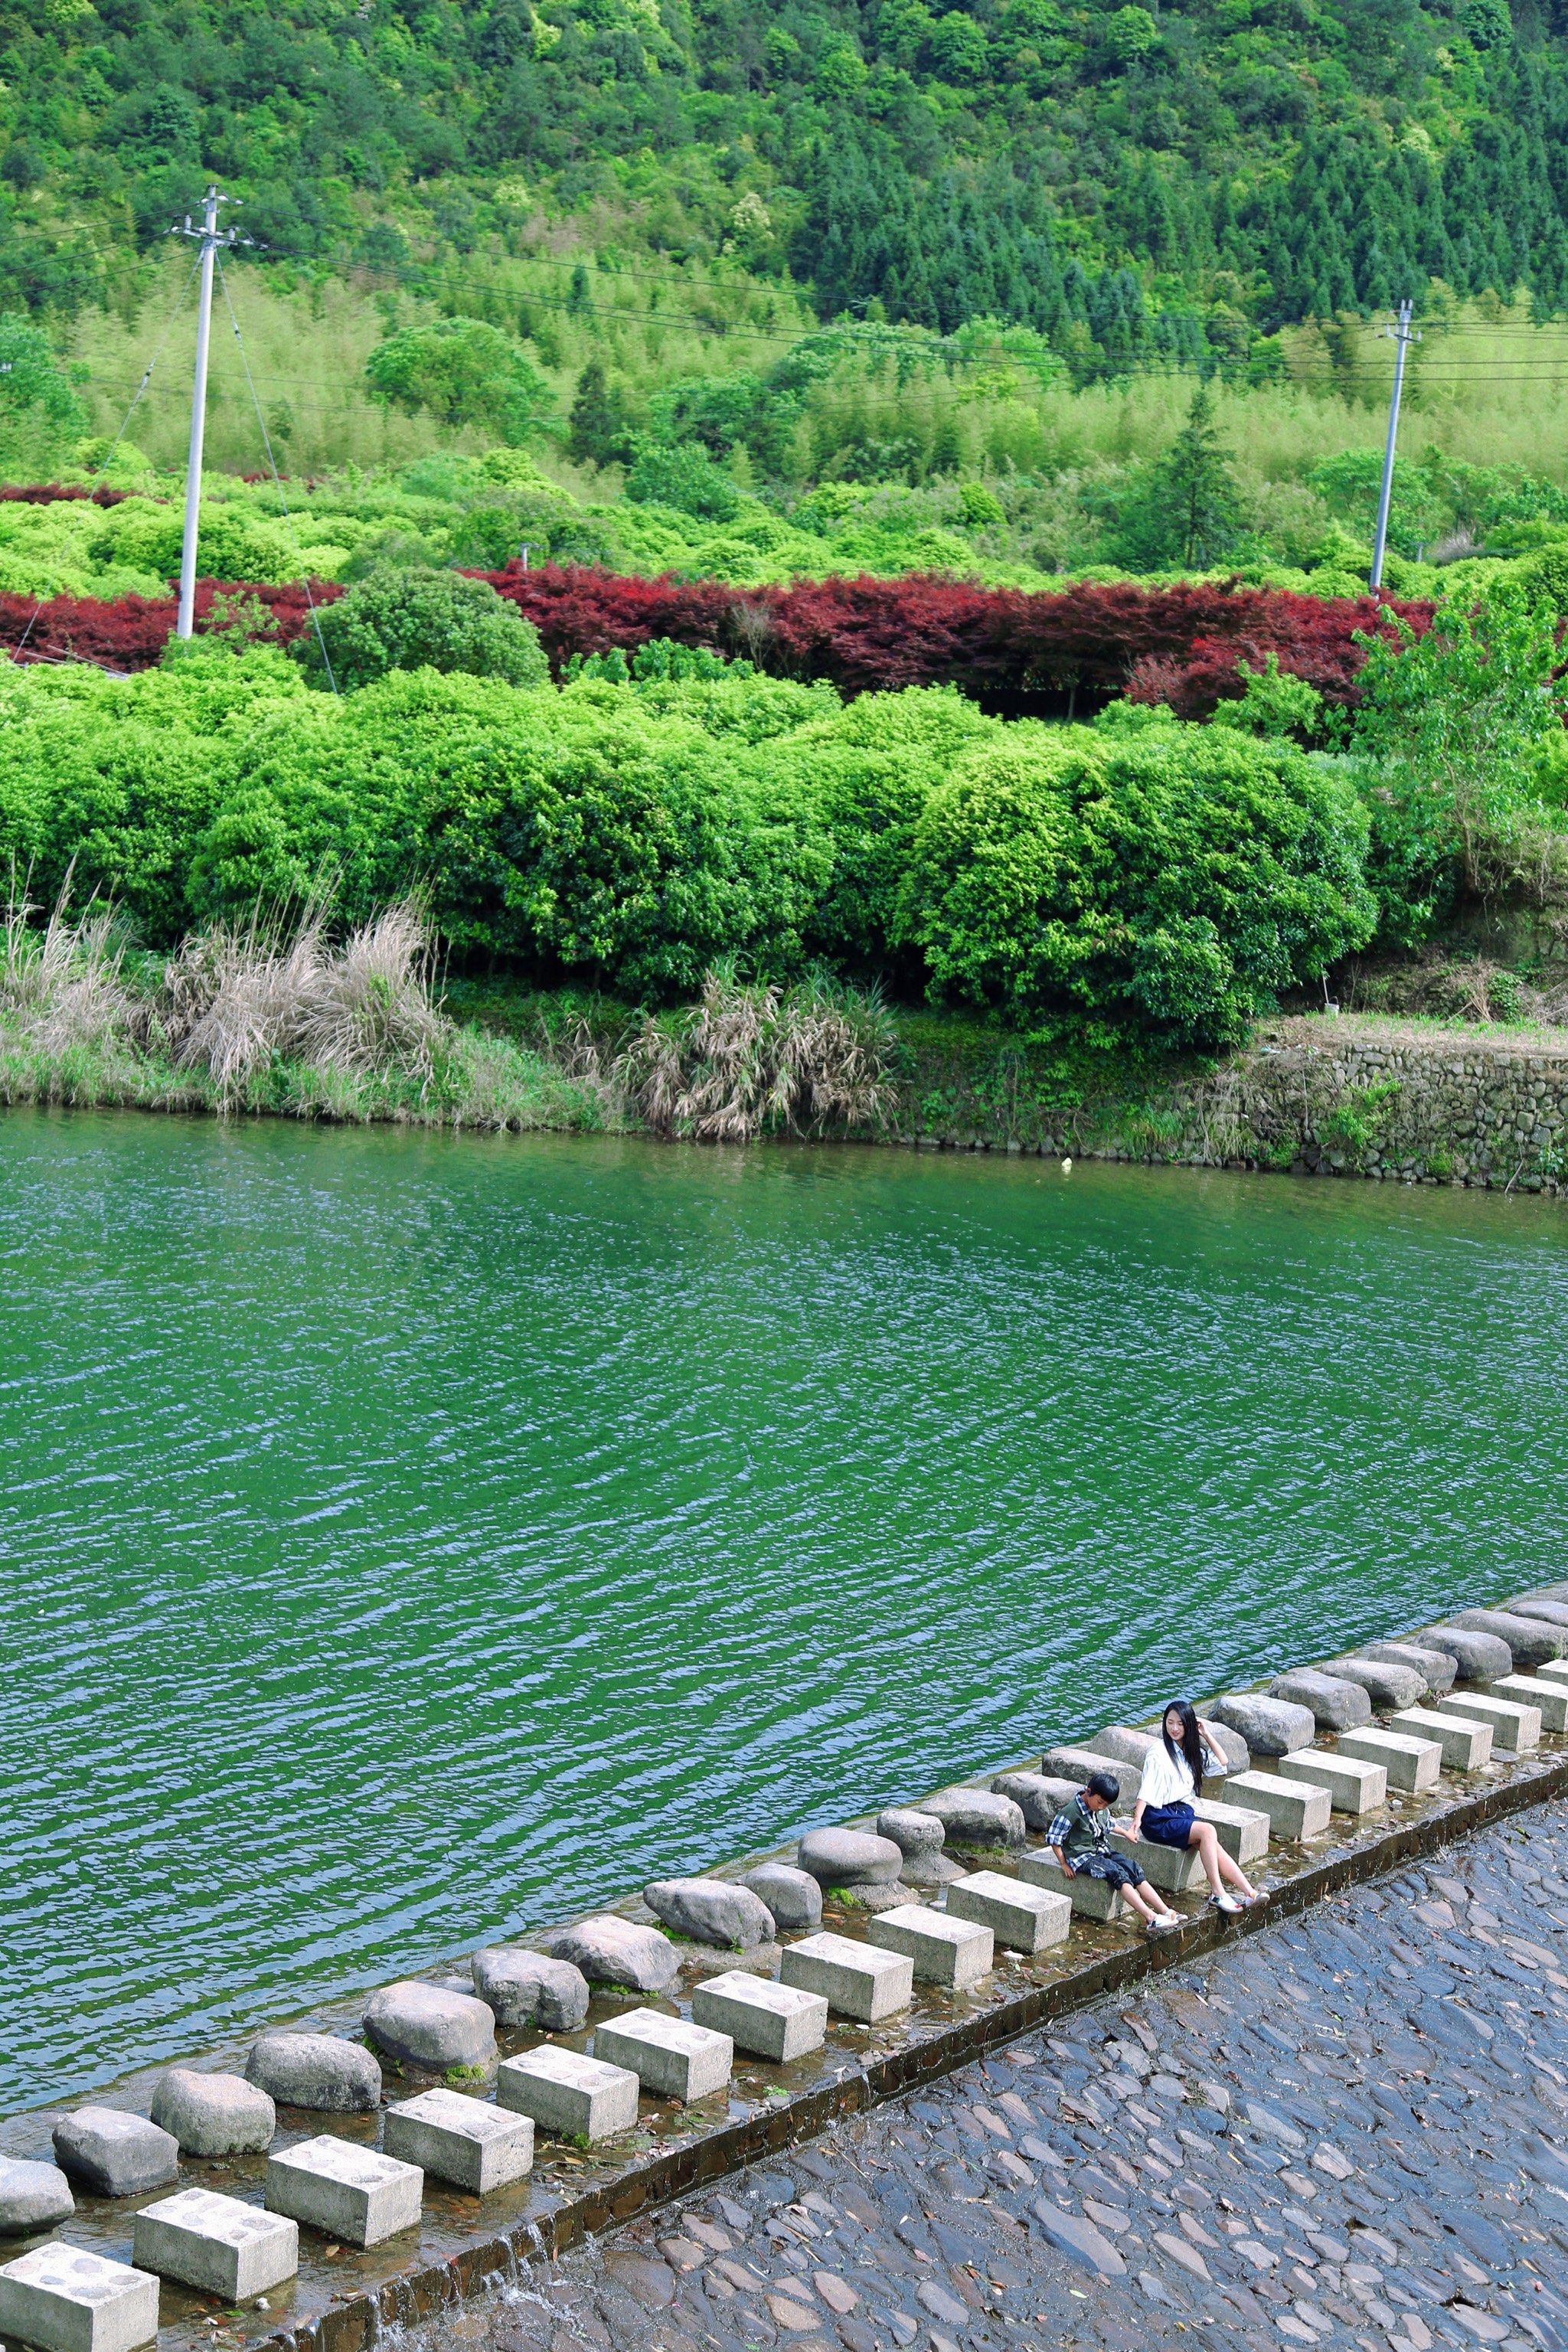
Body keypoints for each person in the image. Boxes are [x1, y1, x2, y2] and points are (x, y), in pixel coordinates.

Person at [1130, 1700, 1266, 1913]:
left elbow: (1223, 1763)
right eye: (1170, 1723)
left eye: (1181, 1724)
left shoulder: (1192, 1753)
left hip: (1180, 1813)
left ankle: (1249, 1893)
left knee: (1211, 1843)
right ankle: (1218, 1893)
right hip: (1157, 1818)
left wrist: (1206, 1733)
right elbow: (1146, 1789)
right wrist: (1137, 1820)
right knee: (1208, 1831)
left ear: (1189, 1726)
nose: (1174, 1729)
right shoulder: (1158, 1752)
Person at [1047, 1772, 1182, 1937]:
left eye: (1106, 1805)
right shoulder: (1071, 1811)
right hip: (1083, 1856)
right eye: (1100, 1802)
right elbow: (1055, 1838)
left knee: (1132, 1868)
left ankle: (1165, 1911)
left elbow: (1109, 1825)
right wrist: (1063, 1863)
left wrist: (1127, 1834)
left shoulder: (1100, 1808)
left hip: (1101, 1849)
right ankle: (1150, 1917)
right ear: (1088, 1791)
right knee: (1117, 1873)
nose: (1102, 1807)